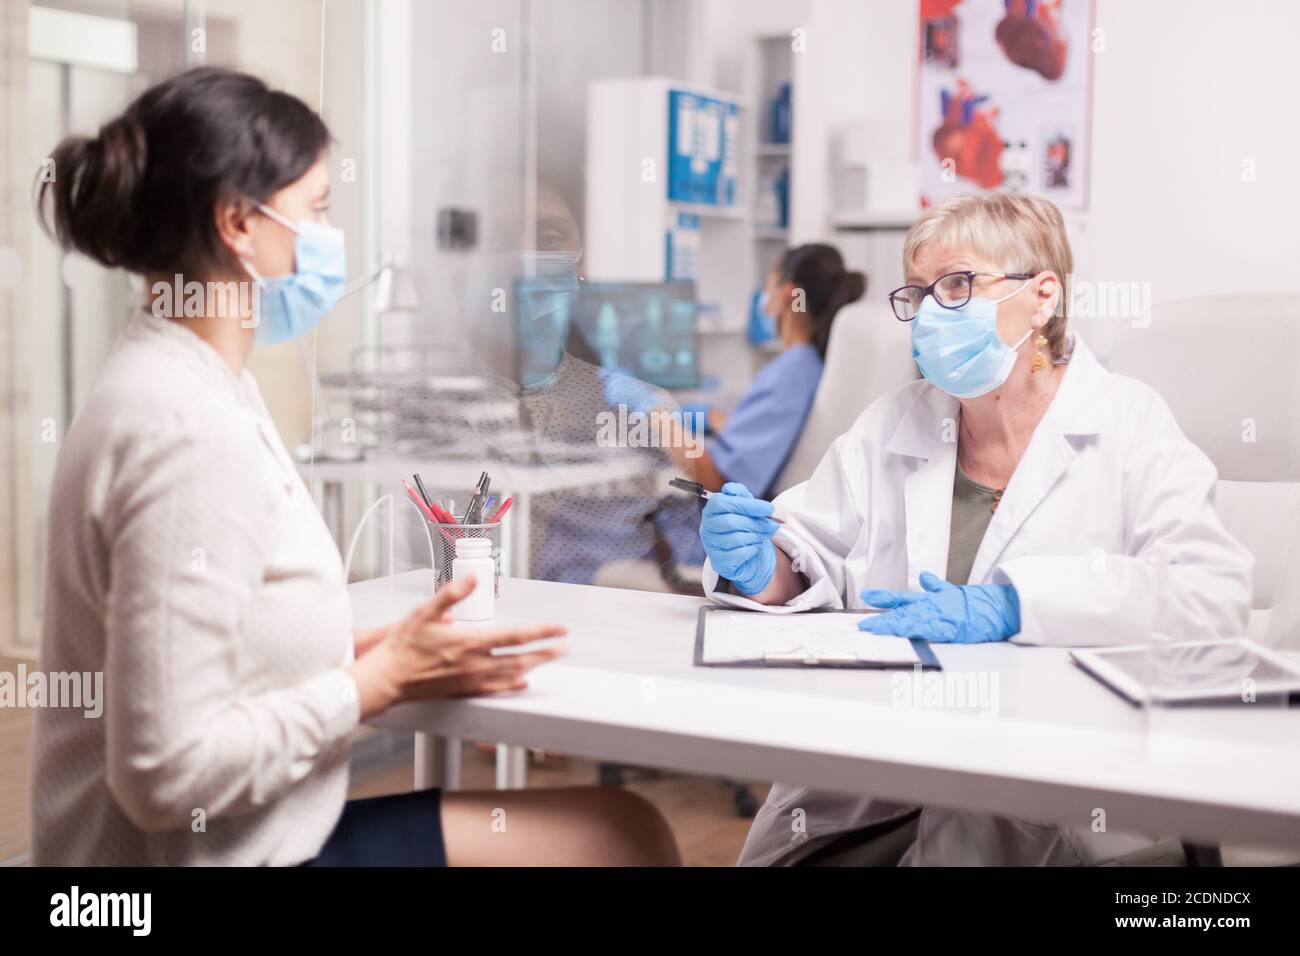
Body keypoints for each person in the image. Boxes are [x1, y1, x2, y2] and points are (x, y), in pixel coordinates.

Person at [31, 67, 680, 867]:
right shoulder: (182, 427)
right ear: (239, 222)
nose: (332, 241)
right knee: (624, 837)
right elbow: (165, 777)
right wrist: (373, 685)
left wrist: (375, 652)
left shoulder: (193, 378)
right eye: (317, 211)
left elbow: (220, 640)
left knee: (618, 828)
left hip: (244, 839)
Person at [697, 192, 1253, 866]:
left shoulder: (1128, 423)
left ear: (1042, 297)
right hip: (877, 783)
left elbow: (1210, 594)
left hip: (1057, 793)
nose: (933, 313)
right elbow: (812, 550)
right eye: (921, 294)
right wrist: (760, 566)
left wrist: (1018, 603)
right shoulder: (895, 421)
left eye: (958, 285)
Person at [669, 244, 865, 498]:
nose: (763, 304)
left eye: (769, 287)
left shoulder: (792, 372)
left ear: (789, 296)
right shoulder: (807, 364)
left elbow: (718, 482)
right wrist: (713, 418)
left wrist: (658, 420)